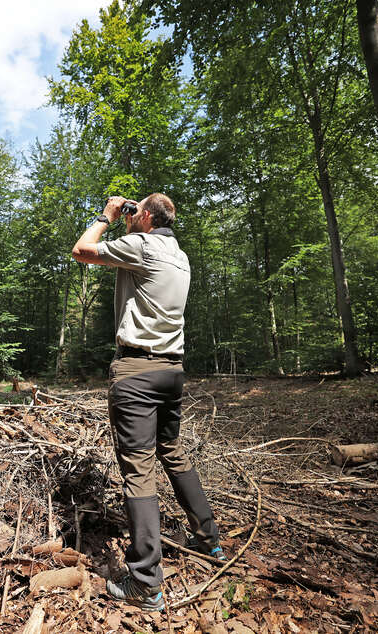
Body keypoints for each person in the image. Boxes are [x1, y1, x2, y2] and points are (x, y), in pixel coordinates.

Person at [71, 193, 223, 612]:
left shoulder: (141, 245)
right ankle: (208, 540)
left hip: (137, 372)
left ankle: (145, 583)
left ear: (148, 217)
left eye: (135, 211)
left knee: (139, 470)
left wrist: (107, 215)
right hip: (172, 371)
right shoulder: (180, 256)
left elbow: (82, 250)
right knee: (172, 451)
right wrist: (130, 220)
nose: (129, 214)